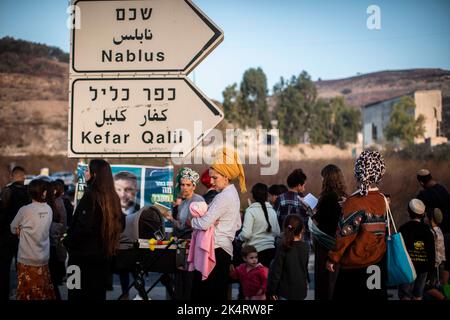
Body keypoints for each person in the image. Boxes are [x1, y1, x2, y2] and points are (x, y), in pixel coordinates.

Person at [327, 150, 388, 300]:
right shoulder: (382, 199)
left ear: (358, 171)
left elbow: (345, 236)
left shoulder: (354, 202)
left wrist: (332, 258)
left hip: (355, 268)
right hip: (377, 264)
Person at [190, 148, 246, 301]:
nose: (212, 181)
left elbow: (204, 223)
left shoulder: (223, 197)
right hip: (225, 249)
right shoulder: (233, 194)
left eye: (215, 178)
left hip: (214, 250)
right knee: (218, 293)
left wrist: (193, 221)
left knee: (205, 294)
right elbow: (237, 224)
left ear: (226, 177)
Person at [64, 159, 125, 300]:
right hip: (102, 259)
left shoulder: (90, 196)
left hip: (80, 258)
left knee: (75, 295)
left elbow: (83, 227)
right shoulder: (113, 198)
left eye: (87, 170)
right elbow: (121, 224)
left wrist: (67, 241)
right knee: (97, 295)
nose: (85, 173)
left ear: (95, 174)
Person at [10, 178, 55, 300]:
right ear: (44, 193)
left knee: (27, 291)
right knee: (42, 290)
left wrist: (20, 230)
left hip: (26, 258)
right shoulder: (49, 209)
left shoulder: (25, 210)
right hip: (43, 257)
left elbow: (13, 228)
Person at [312, 164, 347, 300]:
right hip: (339, 244)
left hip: (325, 244)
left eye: (322, 177)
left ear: (327, 179)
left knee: (324, 281)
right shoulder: (344, 197)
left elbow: (324, 220)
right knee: (335, 279)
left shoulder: (327, 197)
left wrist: (312, 212)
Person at [0, 166, 31, 300]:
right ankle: (23, 294)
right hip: (24, 236)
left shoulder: (7, 191)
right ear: (24, 177)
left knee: (4, 268)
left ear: (12, 177)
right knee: (23, 268)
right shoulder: (29, 193)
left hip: (6, 235)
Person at [416, 169, 450, 284]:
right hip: (448, 232)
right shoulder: (443, 190)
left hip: (434, 235)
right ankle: (445, 292)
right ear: (431, 177)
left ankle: (433, 289)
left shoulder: (423, 195)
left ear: (421, 182)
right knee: (447, 266)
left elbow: (417, 213)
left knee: (432, 266)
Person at [398, 199, 435, 300]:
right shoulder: (428, 231)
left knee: (405, 295)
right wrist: (431, 272)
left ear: (409, 212)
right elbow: (431, 253)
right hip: (423, 268)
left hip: (407, 268)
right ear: (423, 214)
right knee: (418, 295)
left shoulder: (403, 229)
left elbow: (399, 250)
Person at [267, 214, 309, 300]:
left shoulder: (282, 247)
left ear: (285, 228)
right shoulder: (306, 247)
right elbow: (304, 268)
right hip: (300, 290)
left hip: (284, 291)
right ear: (301, 230)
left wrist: (272, 291)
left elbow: (277, 272)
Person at [238, 183, 280, 268]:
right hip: (272, 252)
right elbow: (277, 232)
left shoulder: (251, 211)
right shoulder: (272, 211)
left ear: (253, 196)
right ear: (267, 195)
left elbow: (246, 234)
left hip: (255, 254)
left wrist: (239, 237)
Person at [273, 169, 312, 246]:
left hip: (285, 240)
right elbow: (310, 223)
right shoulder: (306, 201)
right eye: (304, 185)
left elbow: (275, 220)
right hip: (303, 241)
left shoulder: (281, 199)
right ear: (299, 185)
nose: (304, 188)